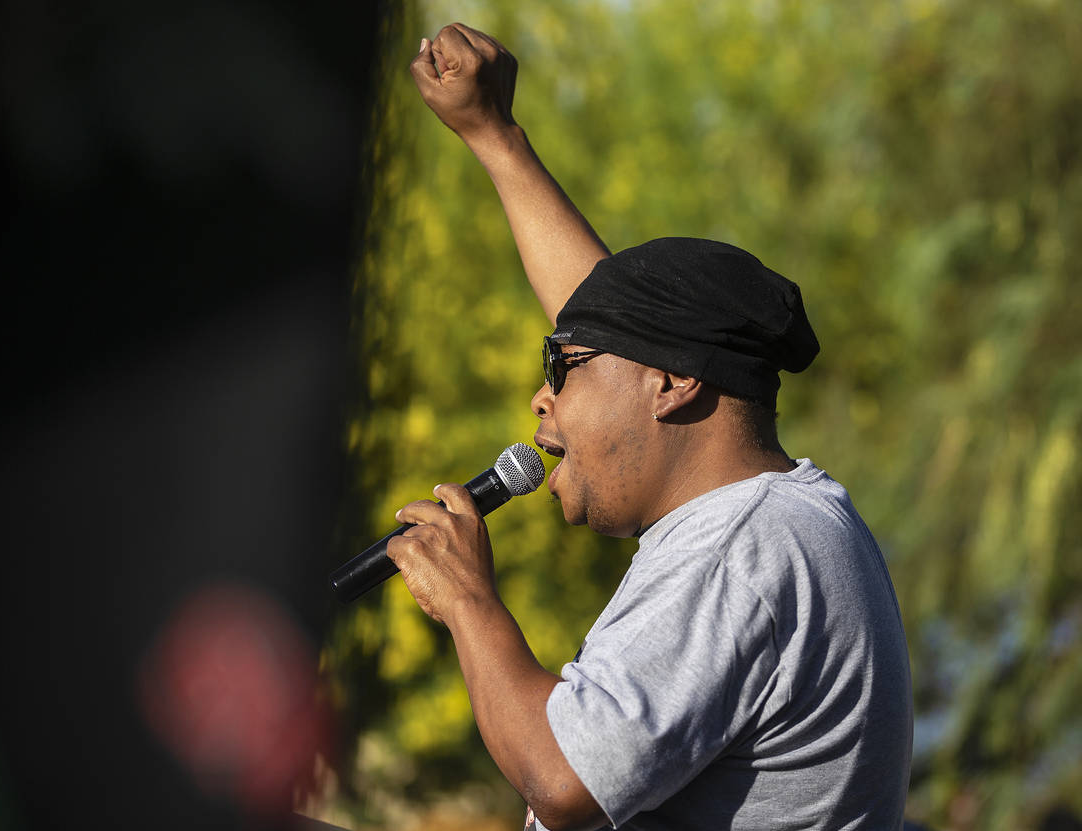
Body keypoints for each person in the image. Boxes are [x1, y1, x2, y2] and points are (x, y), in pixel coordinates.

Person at [386, 22, 913, 831]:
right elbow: (609, 330)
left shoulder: (743, 550)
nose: (541, 398)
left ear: (672, 384)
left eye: (561, 368)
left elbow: (561, 780)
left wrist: (468, 600)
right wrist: (494, 136)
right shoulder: (783, 521)